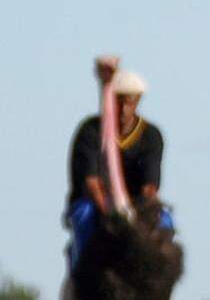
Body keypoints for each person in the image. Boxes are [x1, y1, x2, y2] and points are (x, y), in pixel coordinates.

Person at [66, 57, 173, 269]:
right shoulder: (90, 132)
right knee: (85, 218)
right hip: (97, 204)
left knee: (166, 222)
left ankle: (161, 285)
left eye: (129, 102)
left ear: (137, 102)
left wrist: (139, 213)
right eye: (119, 101)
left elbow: (150, 185)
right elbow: (91, 181)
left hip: (136, 205)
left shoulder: (150, 135)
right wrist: (111, 213)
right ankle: (81, 277)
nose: (124, 108)